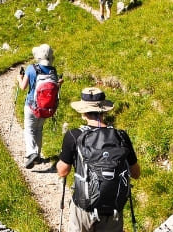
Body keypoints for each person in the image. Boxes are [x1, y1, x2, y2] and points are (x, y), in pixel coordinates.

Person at [56, 87, 141, 232]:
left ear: (83, 112)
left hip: (83, 206)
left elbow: (63, 171)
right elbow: (136, 173)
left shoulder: (74, 135)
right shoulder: (121, 136)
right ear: (105, 111)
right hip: (113, 209)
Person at [17, 43, 63, 169]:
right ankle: (37, 155)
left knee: (29, 129)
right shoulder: (53, 70)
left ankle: (31, 153)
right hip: (46, 107)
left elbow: (23, 87)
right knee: (38, 130)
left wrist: (19, 78)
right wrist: (59, 83)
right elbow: (54, 86)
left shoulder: (31, 69)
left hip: (31, 106)